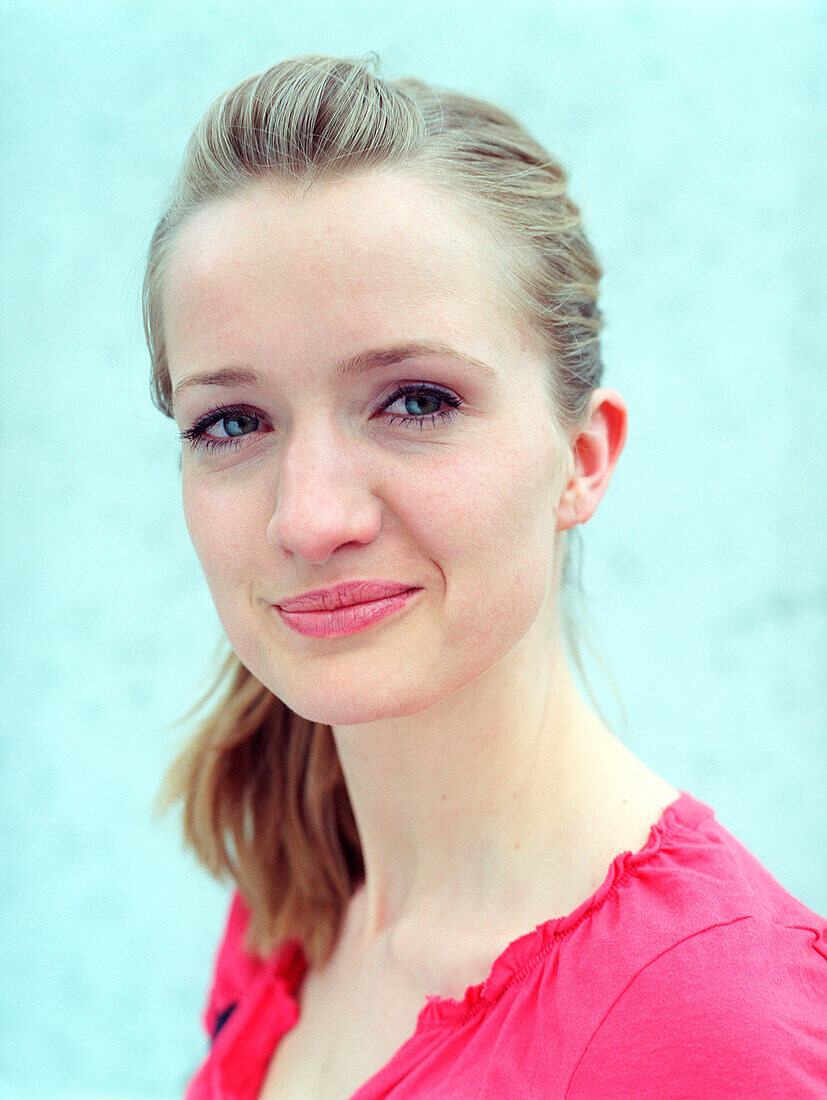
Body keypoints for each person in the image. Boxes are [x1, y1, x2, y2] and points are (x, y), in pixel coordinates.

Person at [144, 52, 826, 1100]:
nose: (310, 516)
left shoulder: (710, 1029)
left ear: (582, 456)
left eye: (415, 400)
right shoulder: (292, 904)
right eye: (231, 421)